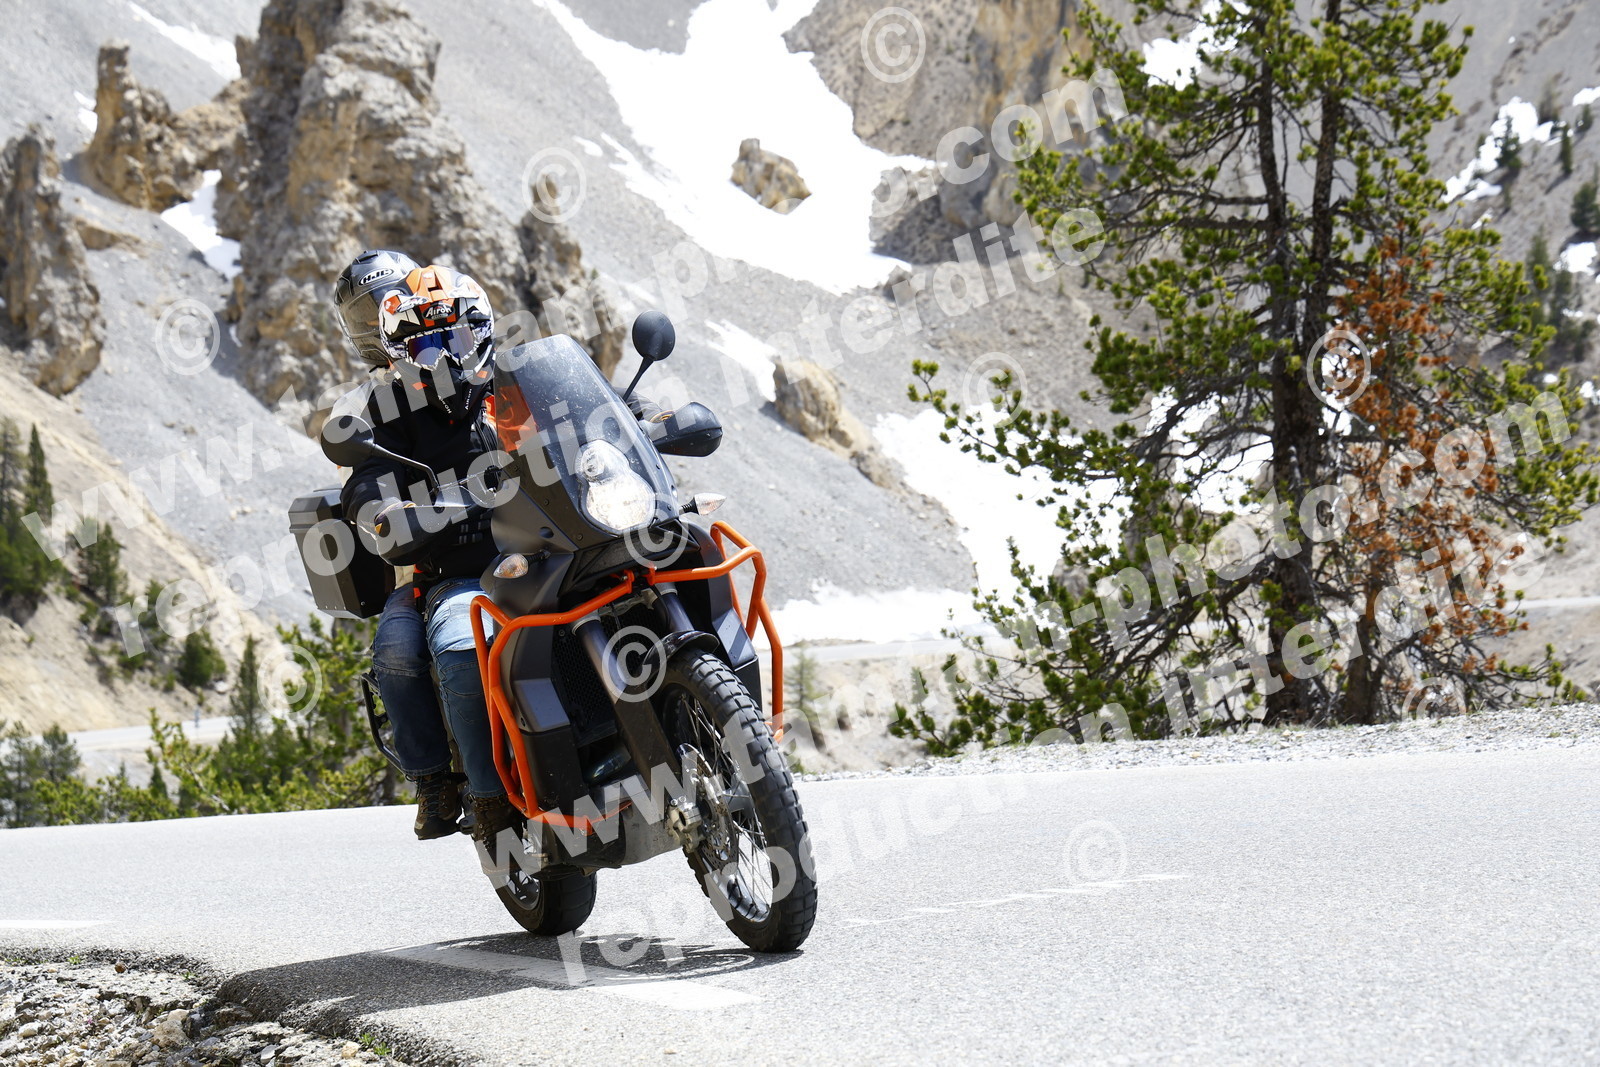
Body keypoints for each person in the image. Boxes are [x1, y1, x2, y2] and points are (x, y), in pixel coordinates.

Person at [329, 249, 515, 848]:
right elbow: (363, 481)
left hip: (552, 543)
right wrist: (380, 512)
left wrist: (646, 418)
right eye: (429, 342)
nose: (446, 354)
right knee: (414, 650)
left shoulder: (513, 379)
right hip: (447, 566)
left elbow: (591, 407)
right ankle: (471, 792)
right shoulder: (381, 409)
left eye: (456, 336)